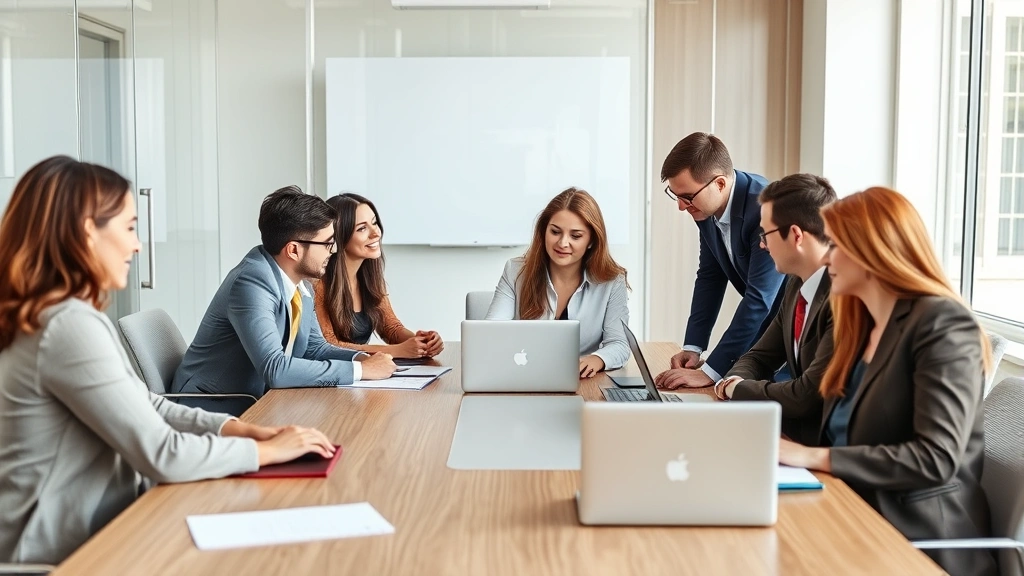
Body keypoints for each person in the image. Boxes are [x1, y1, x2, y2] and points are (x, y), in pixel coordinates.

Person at [0, 156, 336, 565]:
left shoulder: (62, 316)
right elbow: (161, 454)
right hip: (69, 553)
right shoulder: (67, 327)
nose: (137, 244)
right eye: (128, 227)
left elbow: (146, 403)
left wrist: (237, 430)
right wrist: (266, 453)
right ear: (88, 232)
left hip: (109, 524)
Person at [778, 187, 997, 576]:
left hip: (918, 541)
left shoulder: (943, 325)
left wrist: (813, 457)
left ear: (872, 250)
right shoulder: (861, 325)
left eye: (837, 244)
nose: (827, 256)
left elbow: (935, 458)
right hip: (853, 511)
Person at [658, 173, 837, 446]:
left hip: (825, 446)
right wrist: (733, 380)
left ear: (797, 236)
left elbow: (805, 396)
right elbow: (758, 356)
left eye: (765, 234)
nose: (761, 244)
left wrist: (735, 387)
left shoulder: (841, 300)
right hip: (792, 433)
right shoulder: (795, 287)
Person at [172, 186, 396, 399]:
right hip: (212, 406)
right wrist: (360, 371)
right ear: (294, 250)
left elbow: (315, 348)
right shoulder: (251, 283)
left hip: (260, 401)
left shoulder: (300, 280)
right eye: (328, 243)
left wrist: (363, 359)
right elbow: (275, 369)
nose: (335, 250)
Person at [655, 133, 786, 388]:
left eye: (688, 197)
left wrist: (710, 372)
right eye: (676, 195)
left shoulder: (764, 208)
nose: (682, 206)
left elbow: (759, 300)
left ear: (720, 184)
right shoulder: (706, 206)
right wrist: (694, 347)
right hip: (766, 332)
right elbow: (710, 276)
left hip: (792, 334)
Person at [485, 187, 629, 377]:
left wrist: (597, 359)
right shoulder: (515, 270)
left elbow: (619, 344)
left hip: (581, 383)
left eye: (575, 236)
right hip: (525, 377)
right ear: (544, 231)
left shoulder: (612, 281)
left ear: (591, 240)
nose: (562, 243)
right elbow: (490, 333)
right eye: (555, 232)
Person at [314, 193, 443, 358]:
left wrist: (422, 342)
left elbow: (391, 328)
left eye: (374, 223)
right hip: (336, 377)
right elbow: (329, 344)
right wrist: (399, 350)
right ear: (340, 237)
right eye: (362, 228)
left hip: (366, 374)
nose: (376, 233)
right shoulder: (318, 285)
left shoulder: (369, 278)